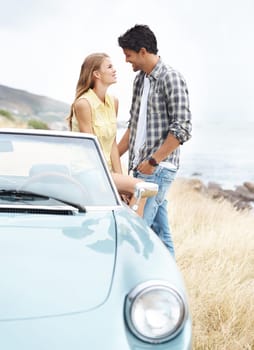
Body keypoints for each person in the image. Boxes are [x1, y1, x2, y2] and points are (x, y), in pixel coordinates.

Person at [117, 25, 192, 257]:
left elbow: (183, 128)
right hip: (140, 169)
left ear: (142, 51)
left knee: (137, 231)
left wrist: (153, 161)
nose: (127, 61)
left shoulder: (172, 78)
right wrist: (109, 156)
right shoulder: (140, 81)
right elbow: (133, 125)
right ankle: (172, 286)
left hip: (157, 169)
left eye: (128, 55)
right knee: (160, 232)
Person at [66, 52, 146, 215]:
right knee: (141, 188)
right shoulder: (83, 104)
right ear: (96, 74)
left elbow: (113, 146)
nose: (114, 70)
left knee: (131, 193)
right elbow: (91, 149)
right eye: (109, 67)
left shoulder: (113, 102)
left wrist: (119, 177)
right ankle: (131, 234)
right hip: (86, 170)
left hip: (105, 171)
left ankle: (126, 231)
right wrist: (111, 180)